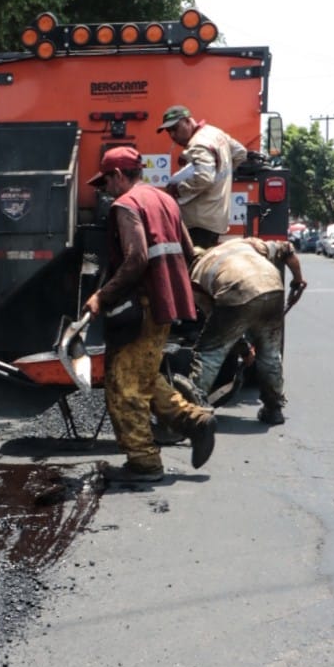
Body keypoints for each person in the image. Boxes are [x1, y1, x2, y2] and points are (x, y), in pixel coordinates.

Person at [84, 146, 216, 484]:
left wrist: (102, 295)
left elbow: (137, 258)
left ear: (117, 175)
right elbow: (187, 251)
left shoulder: (126, 205)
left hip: (140, 307)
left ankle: (144, 464)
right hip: (164, 306)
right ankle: (194, 421)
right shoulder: (166, 201)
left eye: (107, 182)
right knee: (144, 376)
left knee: (123, 386)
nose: (106, 190)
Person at [190, 236, 307, 426]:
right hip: (273, 287)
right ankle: (274, 409)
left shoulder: (195, 276)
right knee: (270, 355)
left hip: (237, 293)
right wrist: (298, 280)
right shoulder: (245, 244)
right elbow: (287, 249)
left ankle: (192, 408)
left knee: (209, 353)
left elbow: (220, 325)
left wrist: (243, 350)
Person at [157, 105, 249, 248]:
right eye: (169, 131)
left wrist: (176, 190)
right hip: (216, 218)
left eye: (175, 128)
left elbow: (204, 178)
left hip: (199, 223)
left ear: (187, 121)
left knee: (194, 267)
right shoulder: (214, 132)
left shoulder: (197, 144)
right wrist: (220, 175)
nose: (173, 136)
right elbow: (240, 153)